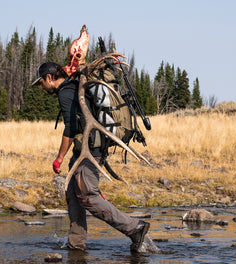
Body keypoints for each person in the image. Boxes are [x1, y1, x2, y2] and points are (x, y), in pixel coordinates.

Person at [32, 62, 149, 251]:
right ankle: (76, 244)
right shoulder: (74, 87)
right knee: (72, 193)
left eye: (41, 83)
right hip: (85, 148)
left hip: (91, 149)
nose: (41, 87)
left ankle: (135, 228)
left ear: (49, 77)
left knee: (88, 196)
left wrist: (59, 157)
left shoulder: (65, 92)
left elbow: (71, 128)